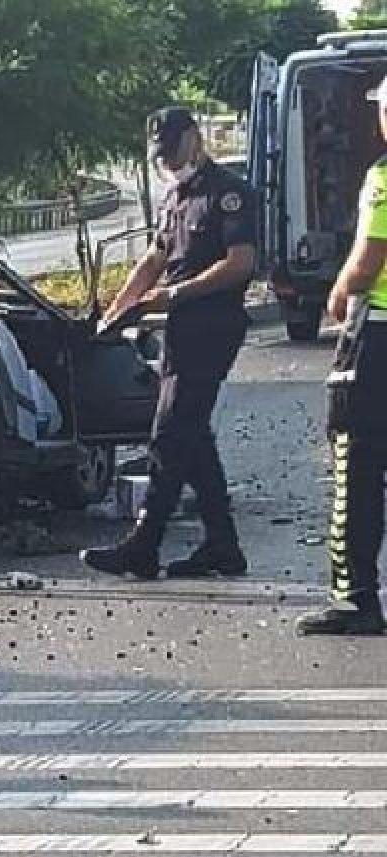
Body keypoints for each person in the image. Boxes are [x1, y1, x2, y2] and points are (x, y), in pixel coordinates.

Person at [81, 107, 256, 580]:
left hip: (213, 325)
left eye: (173, 151)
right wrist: (118, 312)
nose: (168, 162)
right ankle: (223, 546)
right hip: (179, 329)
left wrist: (172, 295)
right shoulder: (175, 196)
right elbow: (156, 257)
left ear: (195, 139)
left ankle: (143, 545)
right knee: (192, 434)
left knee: (169, 432)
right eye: (160, 155)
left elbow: (240, 263)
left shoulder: (230, 193)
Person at [296, 77, 387, 636]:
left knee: (356, 463)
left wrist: (338, 289)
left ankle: (355, 596)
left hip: (377, 335)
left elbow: (369, 257)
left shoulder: (383, 178)